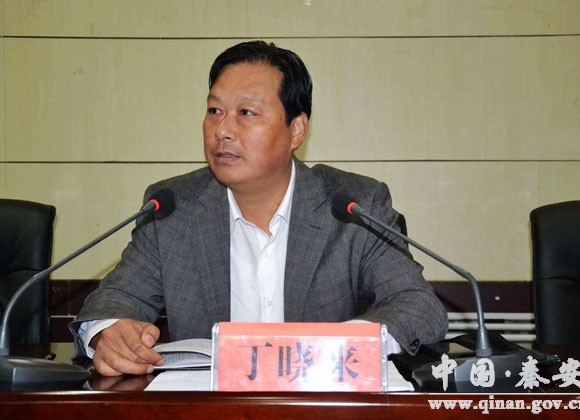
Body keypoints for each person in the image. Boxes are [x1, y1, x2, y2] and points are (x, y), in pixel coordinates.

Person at [70, 40, 448, 376]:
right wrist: (108, 332)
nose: (223, 130)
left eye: (246, 113)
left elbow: (417, 306)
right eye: (214, 111)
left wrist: (342, 346)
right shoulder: (174, 210)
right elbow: (113, 302)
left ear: (296, 130)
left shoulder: (353, 206)